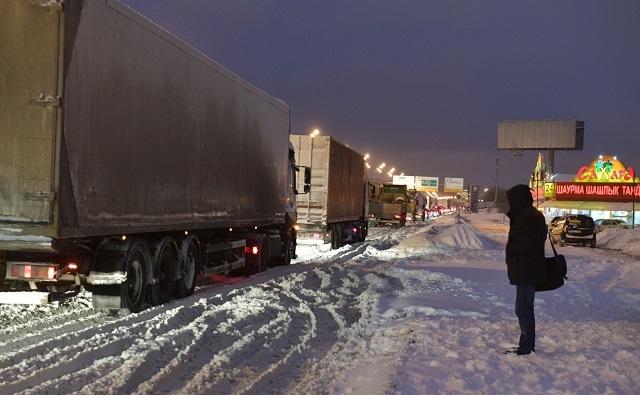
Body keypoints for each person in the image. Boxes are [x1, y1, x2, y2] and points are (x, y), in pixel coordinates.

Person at [505, 184, 547, 355]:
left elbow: (527, 243)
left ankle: (527, 346)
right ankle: (525, 343)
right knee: (522, 308)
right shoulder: (529, 215)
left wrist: (514, 251)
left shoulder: (526, 216)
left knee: (524, 308)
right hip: (526, 269)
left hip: (526, 269)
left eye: (512, 200)